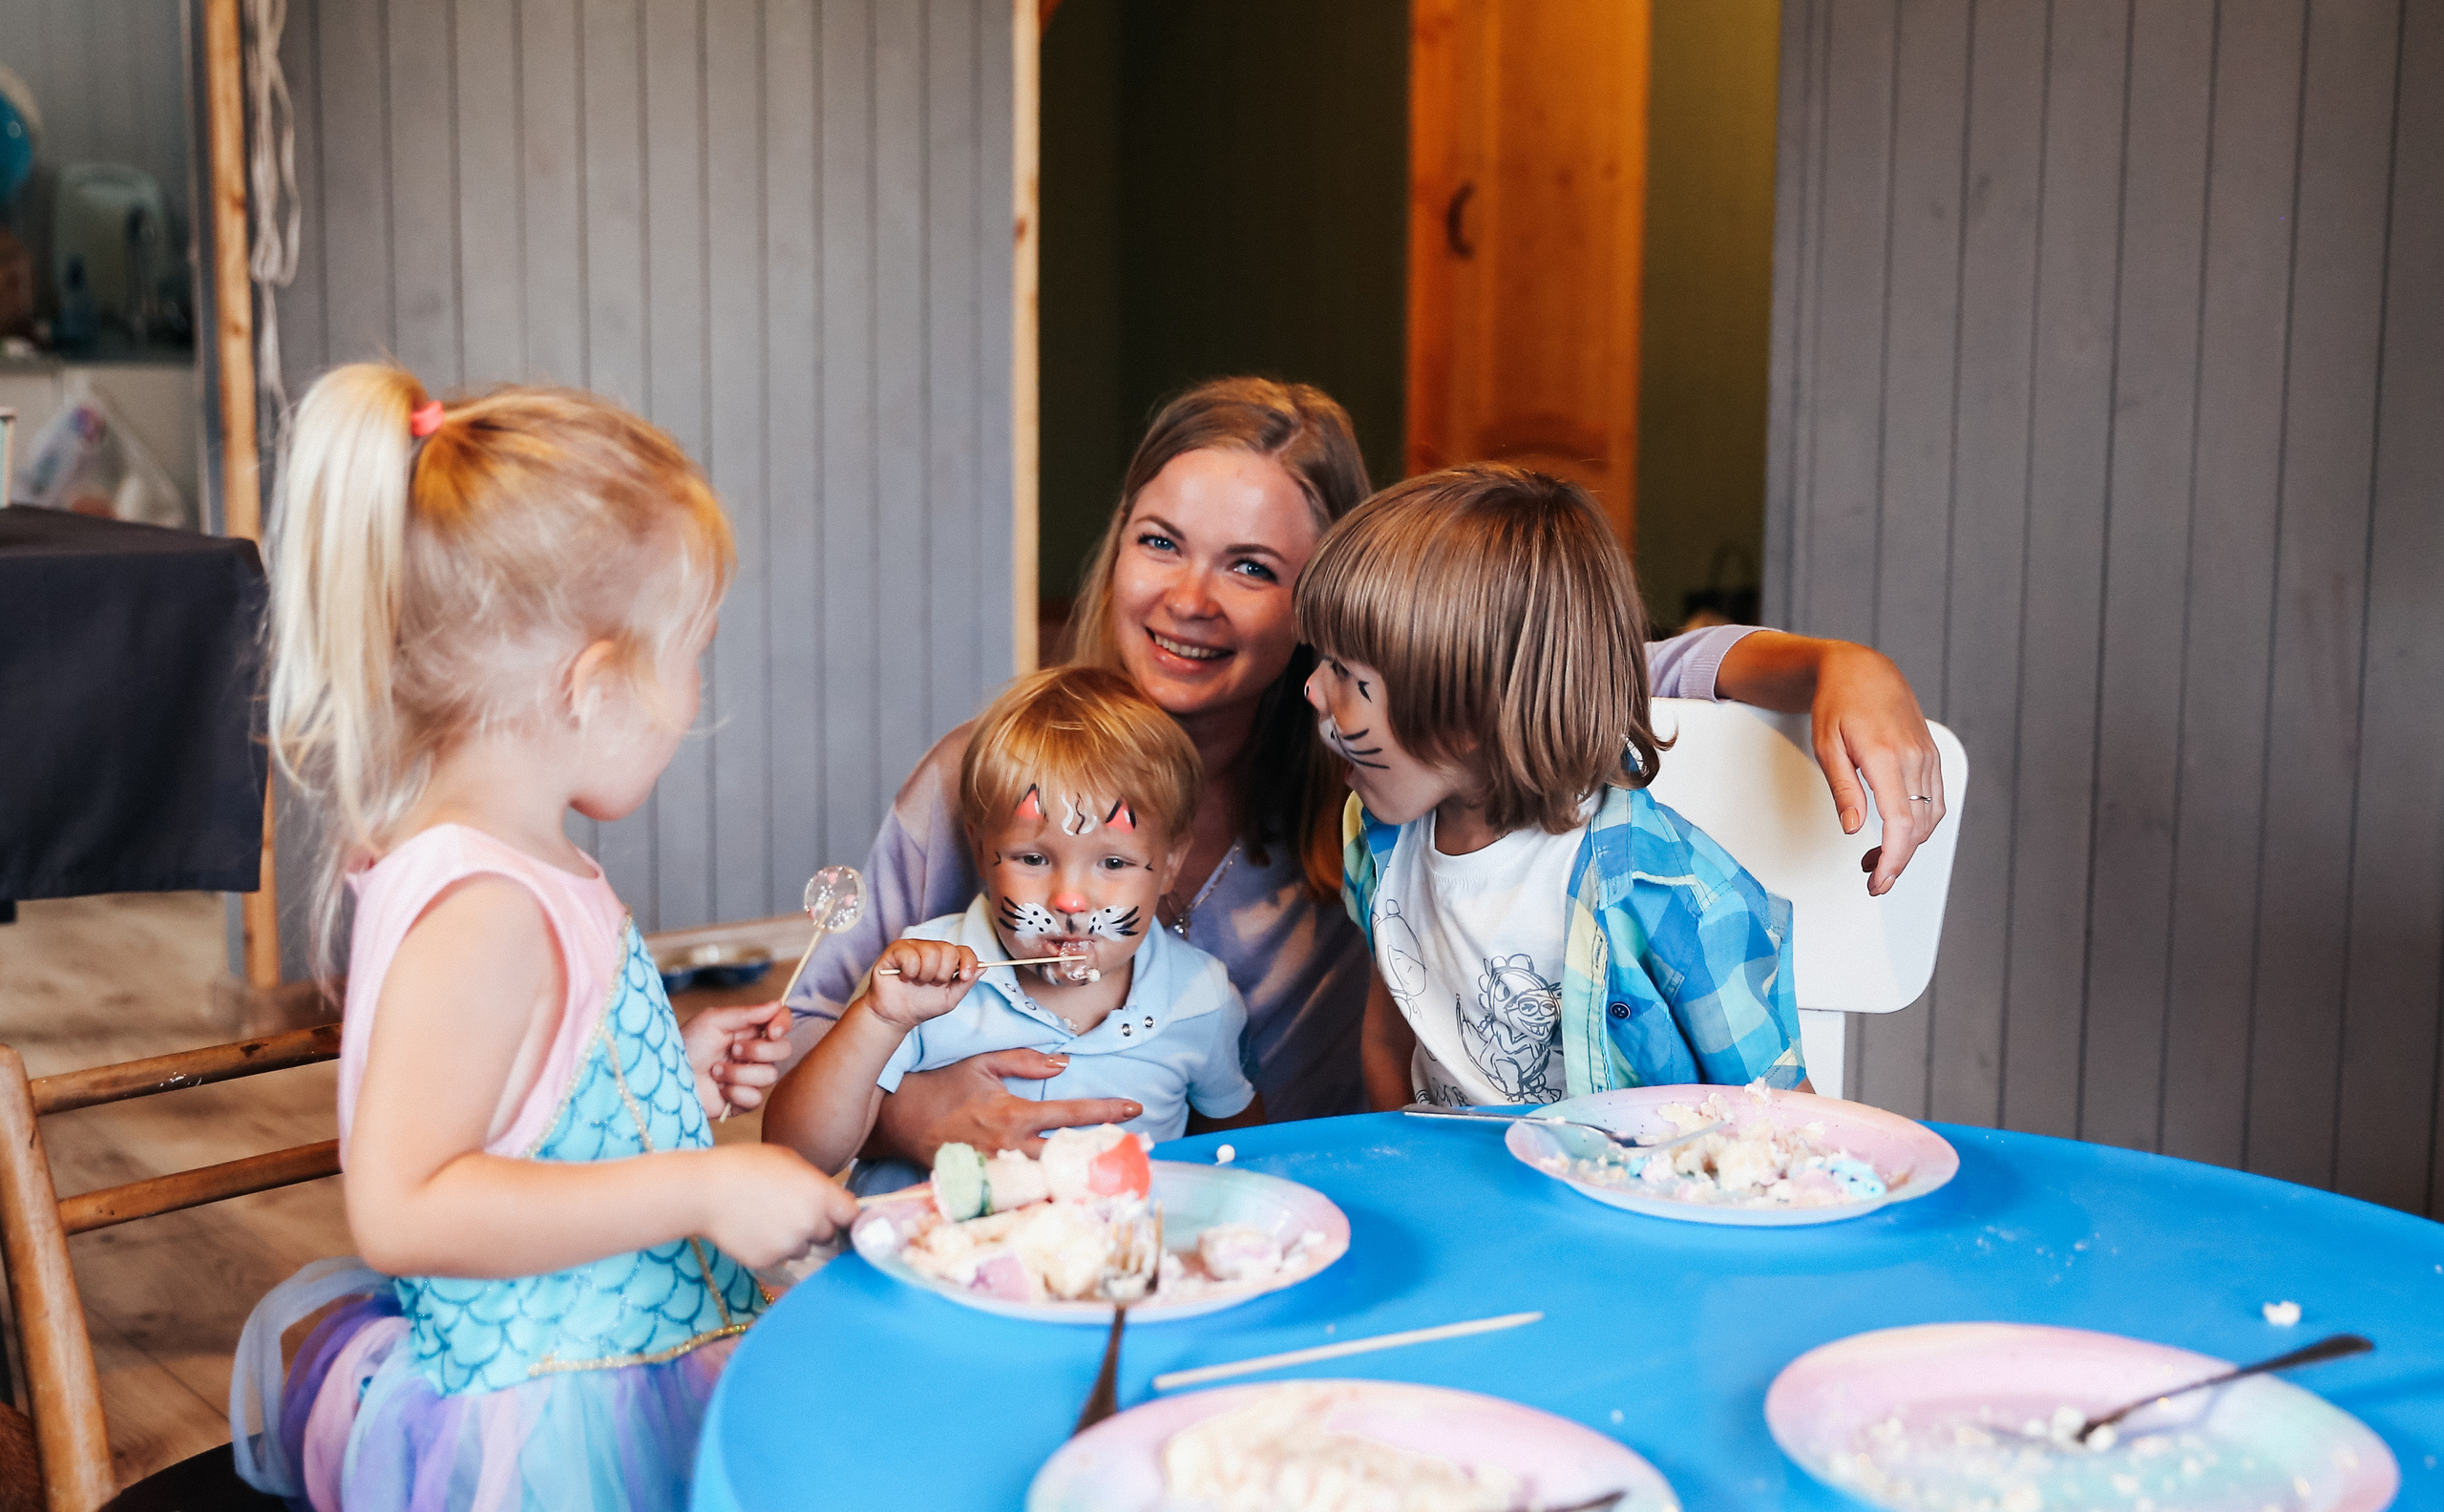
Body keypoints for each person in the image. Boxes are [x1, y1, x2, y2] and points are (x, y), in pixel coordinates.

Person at [788, 379, 1941, 1162]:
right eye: (1159, 542)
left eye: (1251, 567)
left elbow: (1566, 663)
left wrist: (1835, 666)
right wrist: (908, 1117)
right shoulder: (988, 776)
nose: (1188, 598)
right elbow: (808, 1039)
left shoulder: (1367, 783)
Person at [225, 367, 873, 1512]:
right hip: (549, 1436)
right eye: (691, 654)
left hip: (626, 1367)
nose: (694, 696)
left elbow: (523, 1113)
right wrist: (703, 1184)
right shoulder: (482, 904)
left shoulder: (526, 864)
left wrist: (663, 1076)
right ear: (593, 684)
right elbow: (405, 1207)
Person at [1300, 465, 1806, 1107]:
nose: (1312, 689)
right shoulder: (1377, 843)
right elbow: (1387, 1039)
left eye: (1346, 673)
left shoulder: (1672, 897)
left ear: (1467, 718)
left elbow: (1784, 1116)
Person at [766, 666, 1263, 1184]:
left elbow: (1242, 1165)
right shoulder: (919, 979)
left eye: (1113, 863)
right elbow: (796, 1154)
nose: (1070, 901)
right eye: (1033, 859)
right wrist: (880, 1020)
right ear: (981, 848)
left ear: (1171, 864)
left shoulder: (1201, 999)